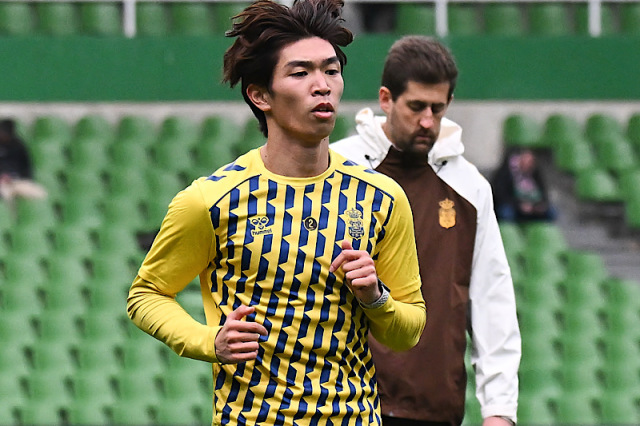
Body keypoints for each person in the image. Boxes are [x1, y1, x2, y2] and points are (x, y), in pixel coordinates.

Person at [126, 2, 426, 425]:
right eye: (300, 73)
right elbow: (146, 295)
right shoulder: (211, 200)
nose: (322, 86)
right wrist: (209, 341)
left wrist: (375, 298)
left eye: (331, 70)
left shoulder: (382, 197)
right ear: (260, 95)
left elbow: (409, 330)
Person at [331, 36, 521, 426]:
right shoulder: (337, 169)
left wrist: (500, 410)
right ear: (386, 99)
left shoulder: (469, 187)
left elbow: (492, 299)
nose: (428, 121)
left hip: (433, 407)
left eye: (438, 108)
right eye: (416, 107)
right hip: (344, 405)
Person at [490, 147, 556, 222]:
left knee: (552, 211)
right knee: (507, 212)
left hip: (532, 205)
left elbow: (542, 191)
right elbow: (501, 194)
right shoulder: (506, 172)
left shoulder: (535, 173)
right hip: (513, 204)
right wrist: (519, 205)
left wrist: (540, 204)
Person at [0, 118, 47, 209]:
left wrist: (17, 178)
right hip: (2, 184)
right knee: (6, 197)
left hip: (17, 180)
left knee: (40, 194)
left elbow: (26, 167)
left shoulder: (18, 146)